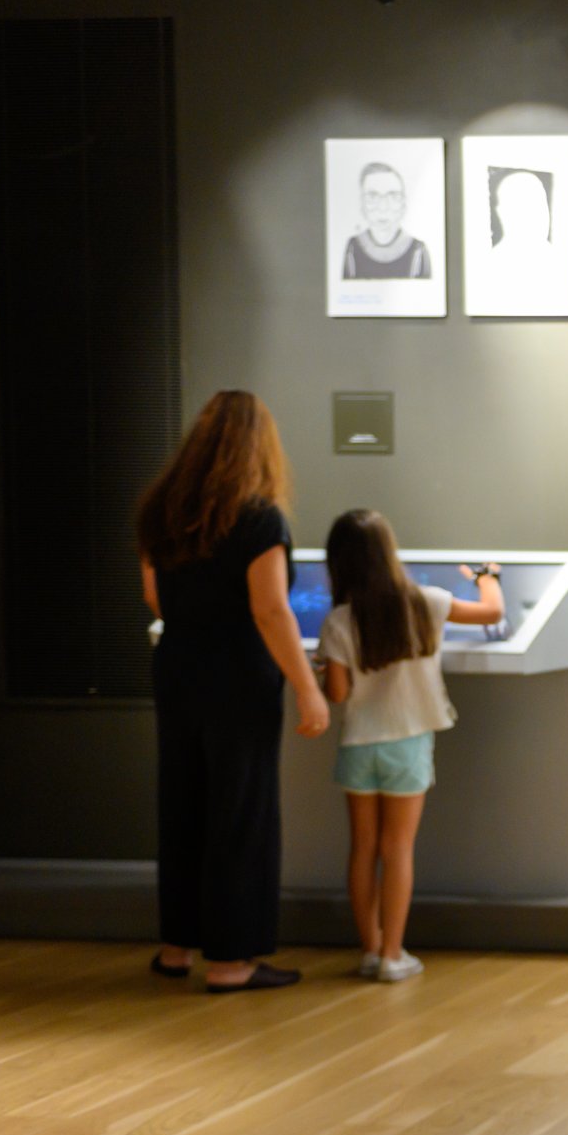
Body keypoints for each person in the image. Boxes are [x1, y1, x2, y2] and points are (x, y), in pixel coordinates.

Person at [137, 391, 329, 993]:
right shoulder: (259, 517)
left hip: (177, 666)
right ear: (258, 445)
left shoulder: (160, 509)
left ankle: (176, 949)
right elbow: (271, 610)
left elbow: (153, 597)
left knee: (183, 805)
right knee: (239, 813)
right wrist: (308, 688)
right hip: (239, 675)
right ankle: (231, 960)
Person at [314, 510, 505, 982]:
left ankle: (370, 949)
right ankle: (393, 956)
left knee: (363, 848)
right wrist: (488, 578)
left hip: (359, 744)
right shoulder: (427, 602)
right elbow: (492, 613)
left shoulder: (338, 620)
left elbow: (337, 695)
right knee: (398, 848)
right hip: (409, 742)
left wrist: (323, 671)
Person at [341, 162, 432, 280]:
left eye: (393, 196)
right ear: (362, 204)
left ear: (403, 204)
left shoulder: (418, 251)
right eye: (372, 197)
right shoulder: (352, 248)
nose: (383, 207)